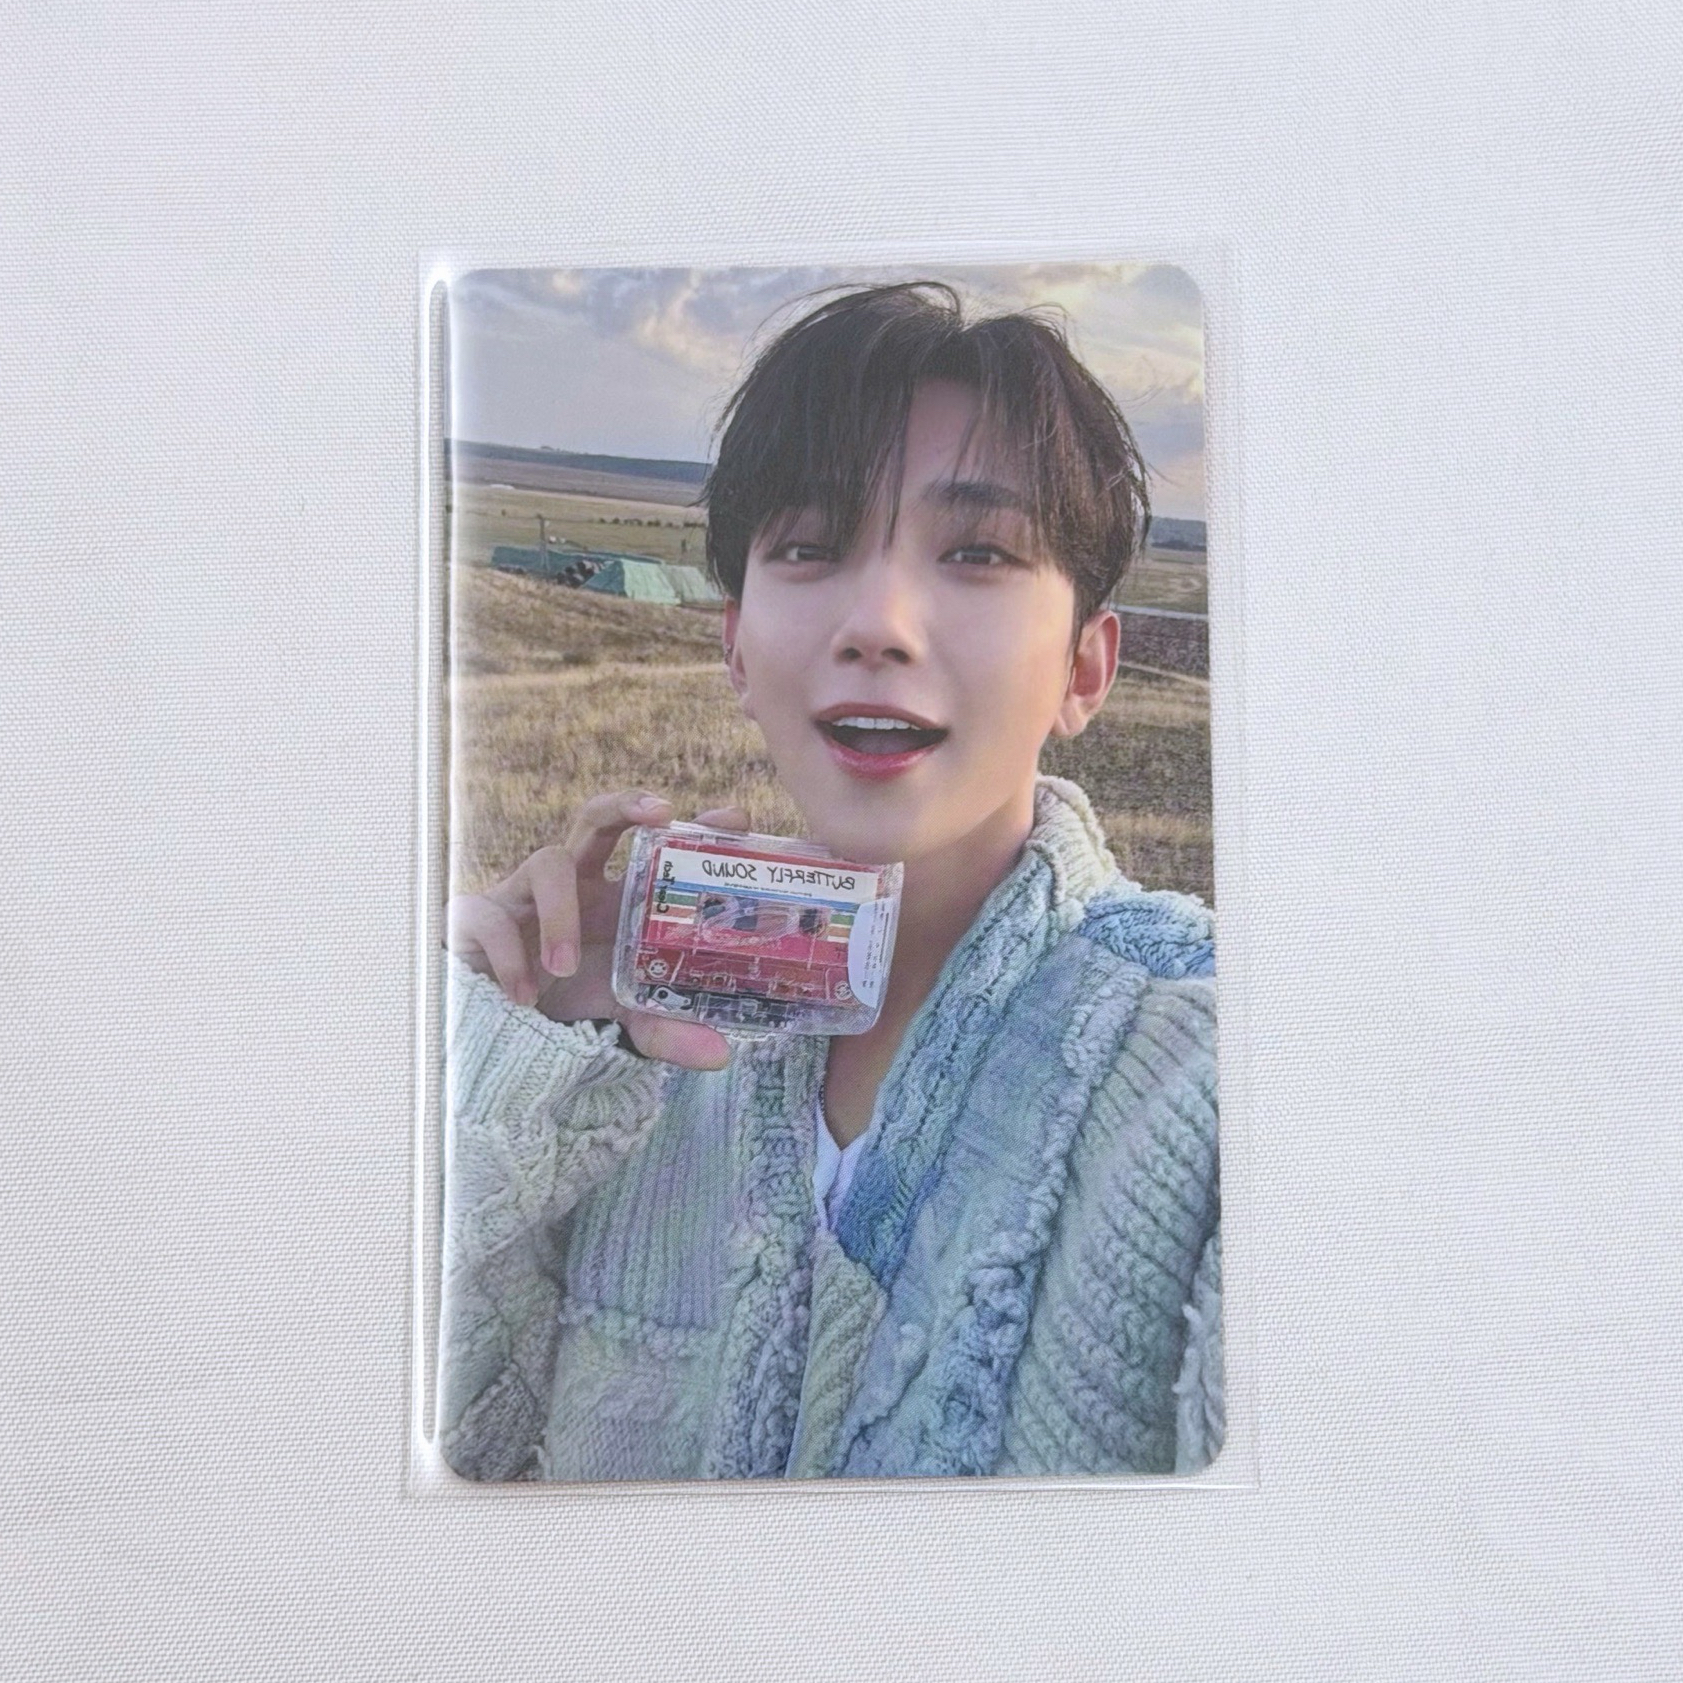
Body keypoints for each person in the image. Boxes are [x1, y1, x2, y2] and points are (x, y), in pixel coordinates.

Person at [441, 282, 1222, 1480]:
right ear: (737, 649)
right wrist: (493, 1059)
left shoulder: (1208, 1074)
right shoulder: (614, 1063)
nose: (879, 623)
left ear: (1085, 669)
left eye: (977, 553)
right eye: (809, 547)